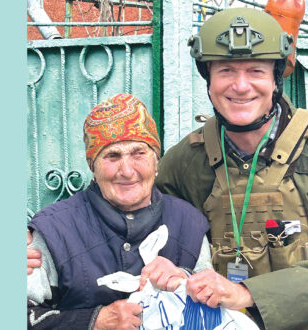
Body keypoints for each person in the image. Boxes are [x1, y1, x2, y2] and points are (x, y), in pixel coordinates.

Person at [29, 7, 308, 329]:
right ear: (209, 81)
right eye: (225, 71)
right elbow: (126, 211)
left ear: (275, 78)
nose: (241, 86)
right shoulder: (188, 159)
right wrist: (36, 247)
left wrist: (242, 292)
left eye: (256, 71)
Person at [26, 93, 212, 329]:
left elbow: (213, 307)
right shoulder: (55, 230)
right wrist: (91, 322)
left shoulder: (188, 223)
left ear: (156, 162)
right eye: (112, 156)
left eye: (139, 153)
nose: (126, 170)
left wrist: (183, 279)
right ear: (93, 166)